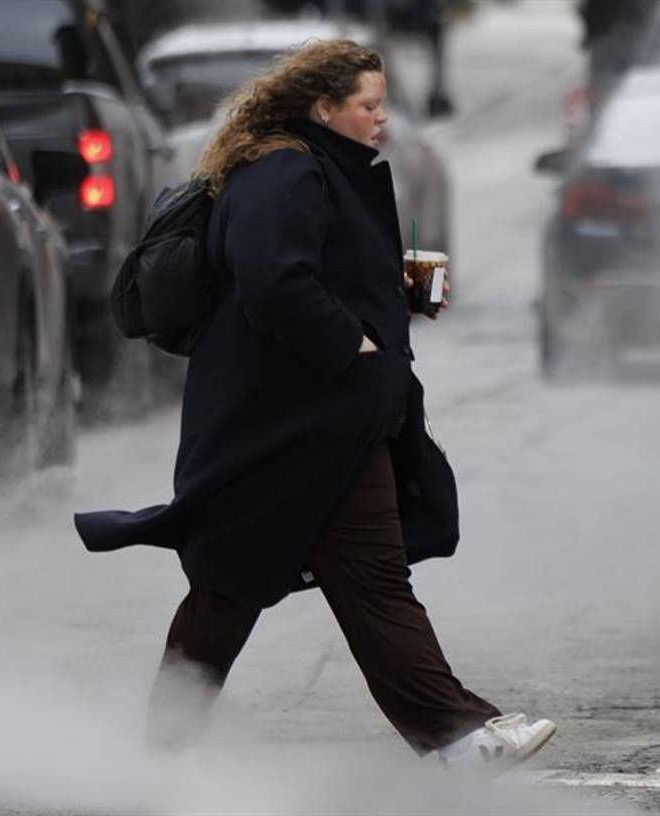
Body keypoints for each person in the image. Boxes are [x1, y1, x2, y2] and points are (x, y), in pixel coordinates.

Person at [74, 39, 555, 770]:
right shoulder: (286, 170)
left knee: (244, 588)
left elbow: (305, 268)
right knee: (278, 586)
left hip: (299, 422)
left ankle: (159, 749)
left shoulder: (305, 167)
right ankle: (456, 736)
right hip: (296, 424)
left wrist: (394, 293)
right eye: (368, 105)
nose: (380, 120)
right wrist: (352, 343)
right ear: (324, 107)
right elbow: (272, 282)